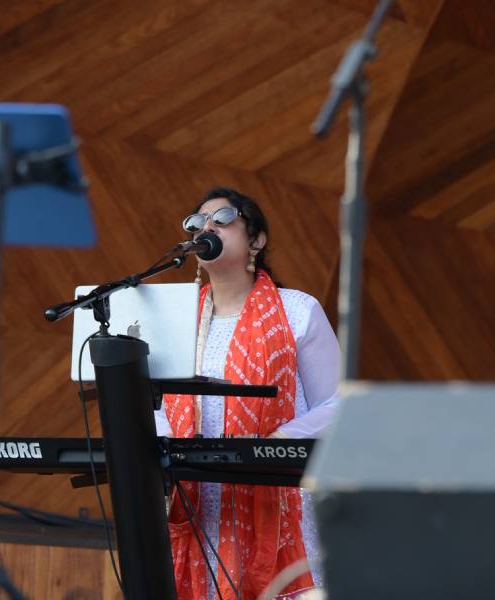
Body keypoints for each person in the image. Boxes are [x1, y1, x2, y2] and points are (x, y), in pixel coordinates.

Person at [154, 187, 341, 600]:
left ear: (256, 240)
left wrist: (273, 445)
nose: (207, 227)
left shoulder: (297, 310)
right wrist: (164, 452)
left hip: (278, 495)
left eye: (223, 219)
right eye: (197, 222)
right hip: (201, 501)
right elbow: (156, 403)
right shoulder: (176, 319)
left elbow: (337, 405)